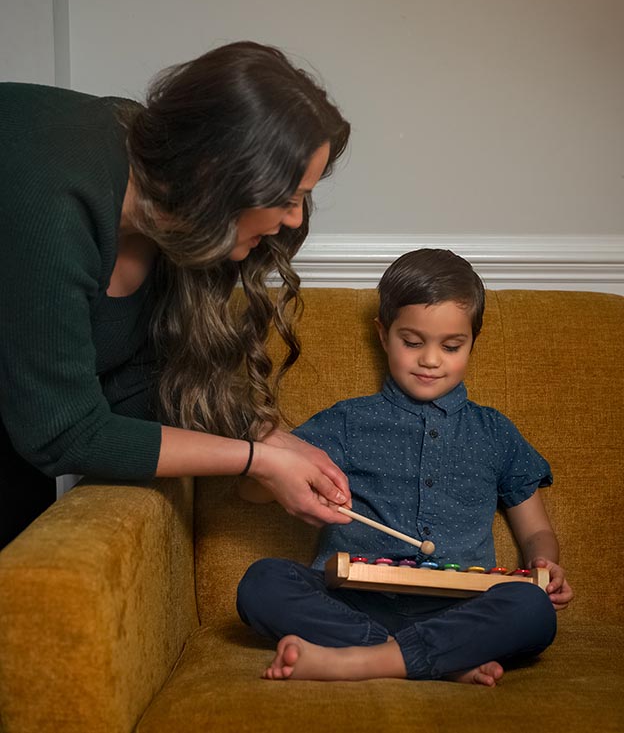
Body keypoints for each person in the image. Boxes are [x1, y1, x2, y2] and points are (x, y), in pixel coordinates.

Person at [0, 41, 353, 550]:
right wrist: (257, 460)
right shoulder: (57, 202)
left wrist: (259, 433)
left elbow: (128, 387)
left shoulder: (167, 196)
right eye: (287, 197)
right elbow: (61, 431)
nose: (295, 219)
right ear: (217, 175)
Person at [237, 248, 573, 686]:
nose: (430, 359)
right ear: (383, 334)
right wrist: (266, 455)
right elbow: (253, 490)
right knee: (262, 583)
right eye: (412, 342)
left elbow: (534, 530)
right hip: (353, 601)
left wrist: (543, 562)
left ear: (473, 340)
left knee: (532, 611)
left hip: (460, 611)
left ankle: (359, 661)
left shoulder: (495, 432)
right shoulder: (346, 421)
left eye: (451, 346)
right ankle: (438, 660)